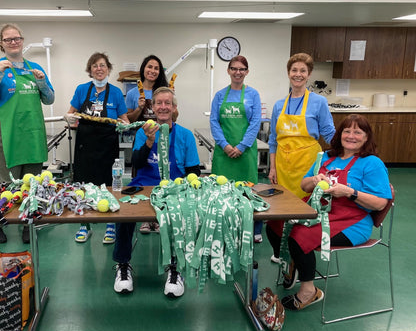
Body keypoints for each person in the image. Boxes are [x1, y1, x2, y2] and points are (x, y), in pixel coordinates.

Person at [267, 114, 392, 311]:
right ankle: (292, 263)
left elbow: (380, 203)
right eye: (347, 131)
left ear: (367, 137)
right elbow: (304, 185)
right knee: (274, 223)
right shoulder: (326, 157)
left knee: (300, 235)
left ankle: (309, 292)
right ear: (339, 134)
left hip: (352, 221)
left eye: (358, 132)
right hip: (317, 210)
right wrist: (314, 179)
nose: (351, 136)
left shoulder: (371, 163)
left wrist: (349, 192)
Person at [113, 87, 200, 297]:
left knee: (183, 215)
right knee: (123, 214)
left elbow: (194, 171)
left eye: (167, 103)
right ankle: (123, 265)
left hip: (173, 186)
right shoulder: (144, 132)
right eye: (159, 103)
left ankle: (175, 267)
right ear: (153, 107)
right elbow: (135, 163)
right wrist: (150, 142)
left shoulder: (186, 135)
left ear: (174, 108)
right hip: (143, 185)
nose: (163, 107)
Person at [0, 23, 54, 244]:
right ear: (1, 44)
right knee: (5, 184)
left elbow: (49, 99)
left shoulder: (34, 68)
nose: (13, 42)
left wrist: (41, 82)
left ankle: (27, 223)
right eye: (8, 39)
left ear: (22, 41)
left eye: (17, 38)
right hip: (6, 133)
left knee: (31, 183)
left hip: (31, 134)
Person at [266, 53, 335, 262]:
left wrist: (346, 156)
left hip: (307, 165)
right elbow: (272, 139)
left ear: (309, 74)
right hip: (283, 165)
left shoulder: (318, 102)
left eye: (302, 71)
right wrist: (272, 168)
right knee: (281, 209)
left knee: (303, 210)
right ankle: (282, 251)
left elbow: (330, 133)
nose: (298, 74)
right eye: (294, 70)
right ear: (288, 73)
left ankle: (298, 251)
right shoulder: (279, 105)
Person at [66, 52, 129, 244]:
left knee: (108, 185)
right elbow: (71, 114)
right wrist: (70, 119)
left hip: (108, 145)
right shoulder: (81, 90)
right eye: (95, 65)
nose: (99, 69)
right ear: (90, 70)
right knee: (83, 186)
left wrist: (124, 124)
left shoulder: (116, 92)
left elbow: (124, 118)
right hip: (85, 145)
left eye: (102, 65)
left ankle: (110, 224)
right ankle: (84, 225)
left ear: (108, 69)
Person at [209, 55, 263, 243]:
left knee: (249, 193)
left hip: (245, 152)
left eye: (242, 69)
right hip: (223, 154)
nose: (238, 72)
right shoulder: (219, 95)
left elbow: (255, 122)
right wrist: (225, 145)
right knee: (222, 192)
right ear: (228, 71)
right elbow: (214, 122)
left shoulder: (253, 94)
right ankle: (223, 226)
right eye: (234, 68)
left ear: (247, 72)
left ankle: (254, 230)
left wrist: (241, 146)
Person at [125, 54, 178, 234]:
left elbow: (174, 117)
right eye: (150, 67)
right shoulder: (133, 93)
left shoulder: (164, 90)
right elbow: (128, 119)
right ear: (143, 69)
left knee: (162, 172)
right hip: (143, 137)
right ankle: (145, 218)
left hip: (163, 135)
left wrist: (172, 108)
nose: (152, 71)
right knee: (142, 173)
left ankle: (159, 217)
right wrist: (140, 108)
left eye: (156, 68)